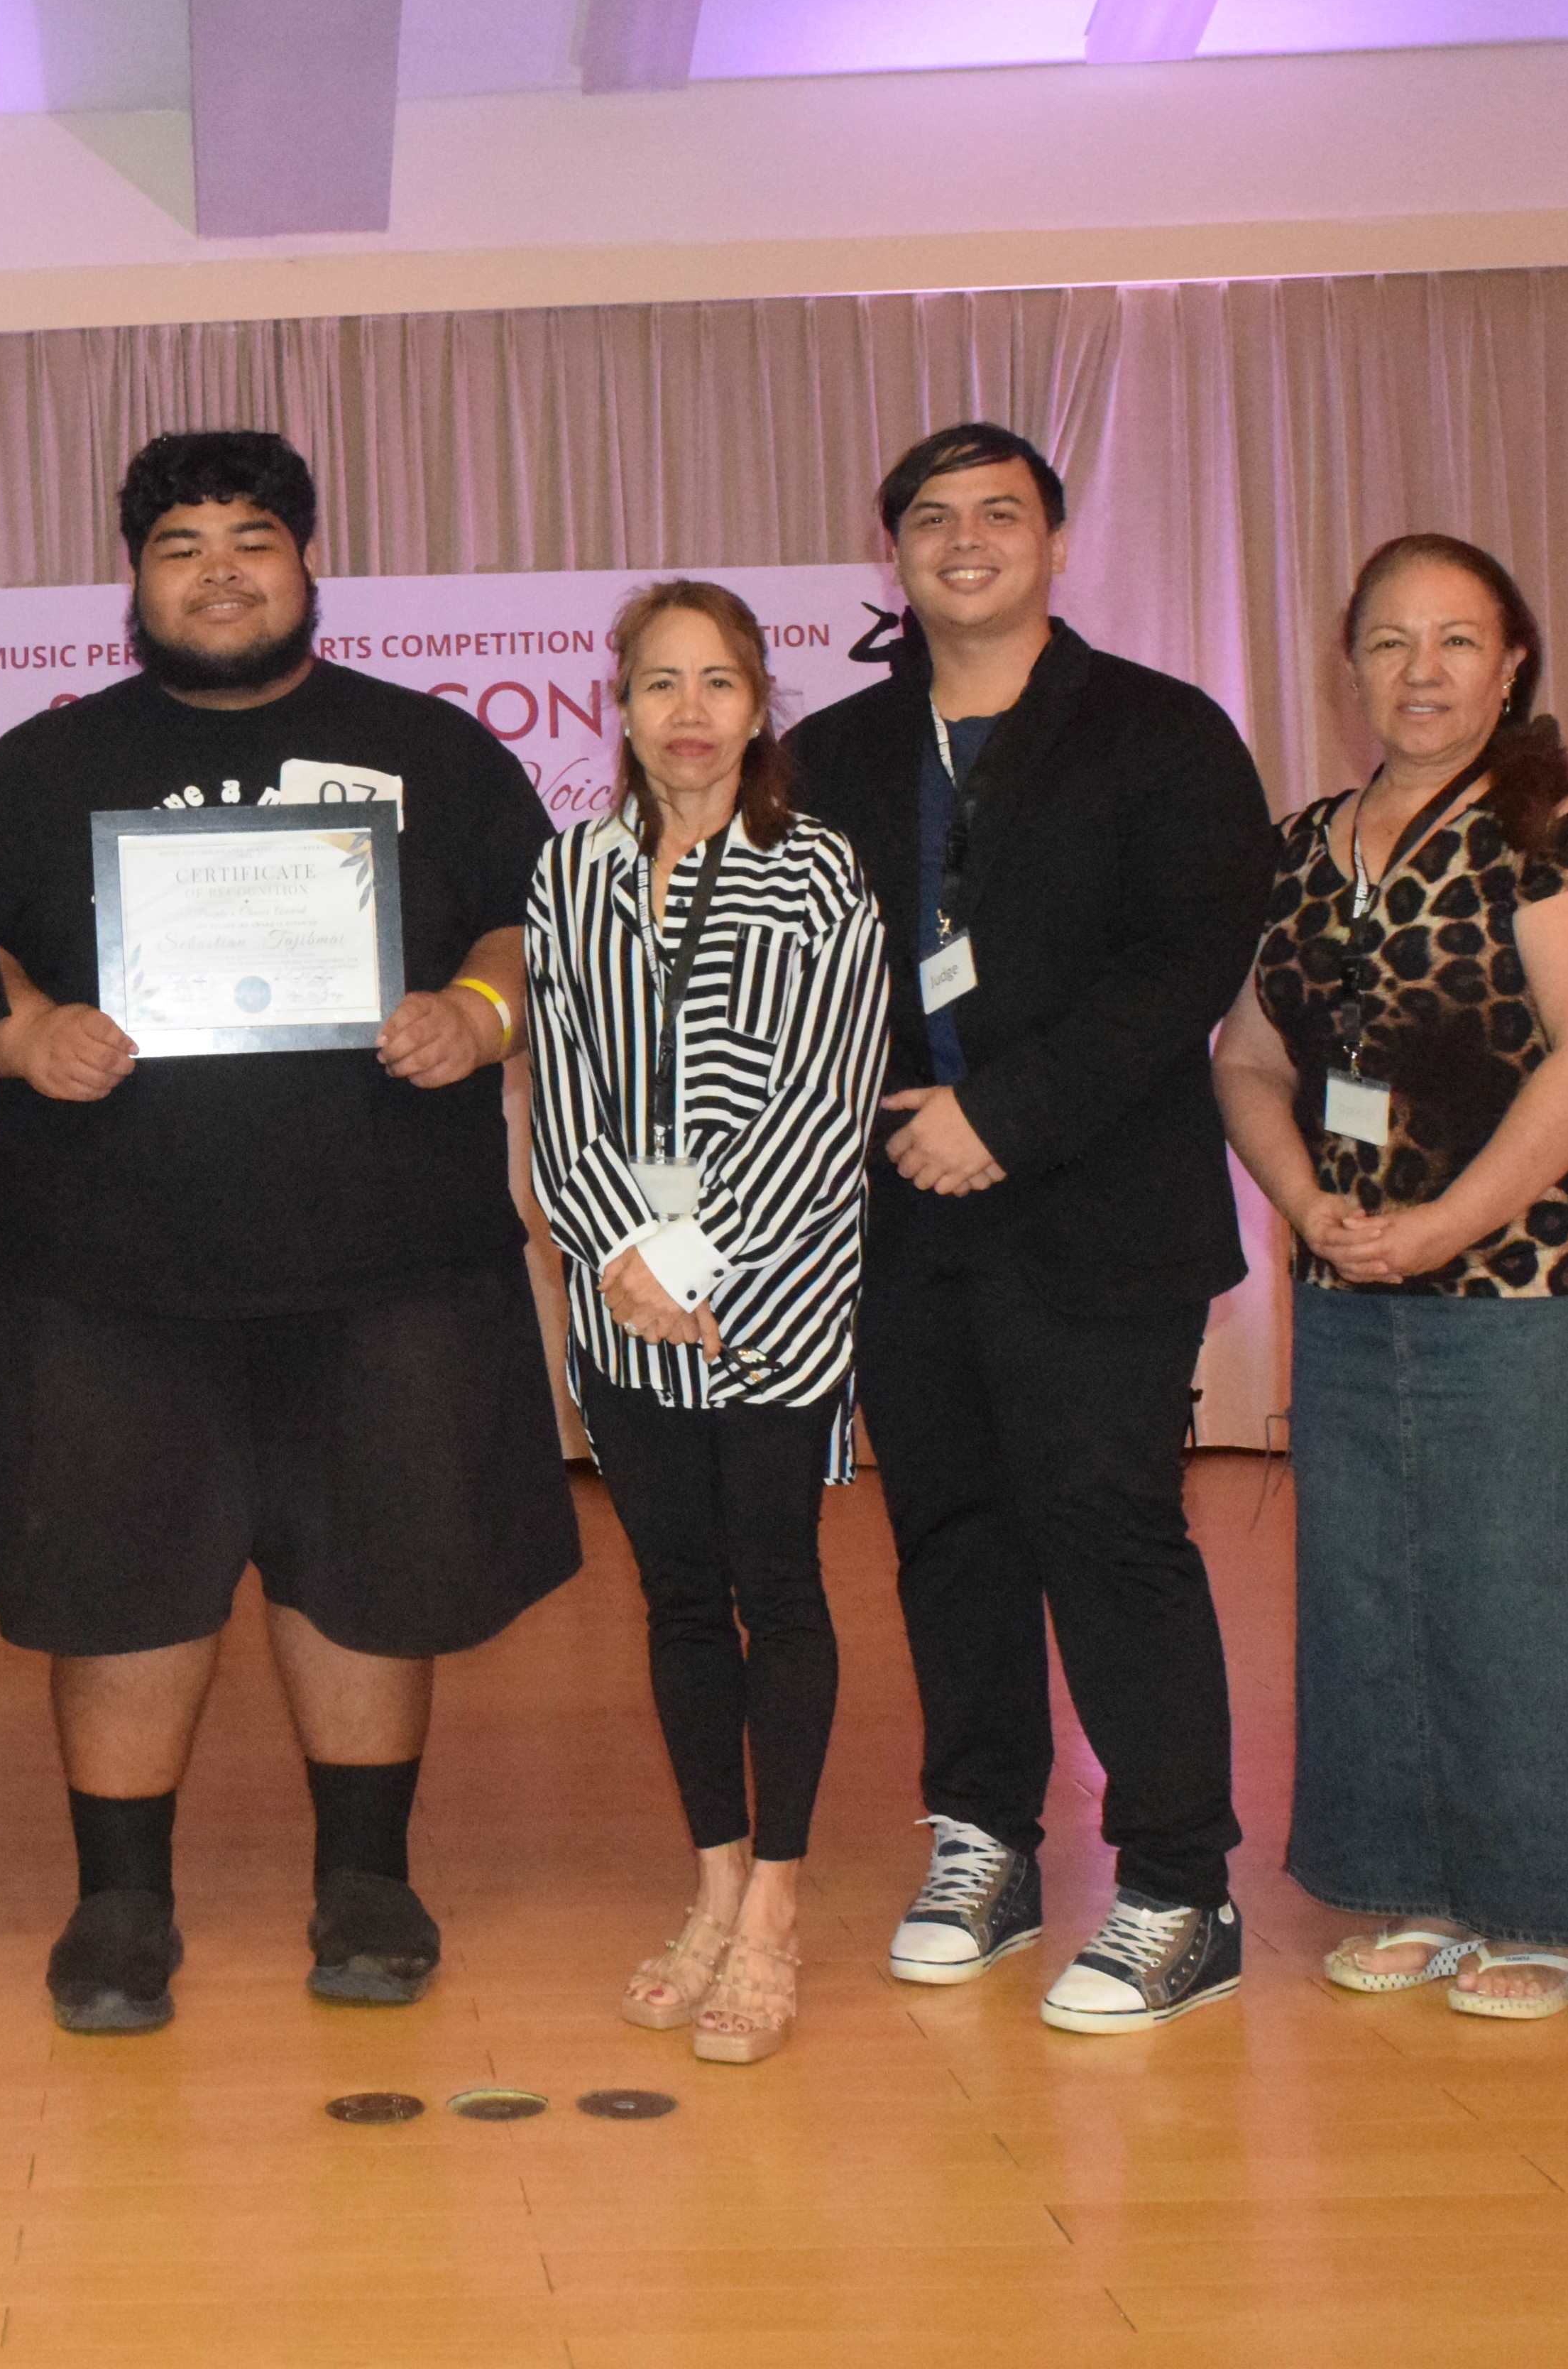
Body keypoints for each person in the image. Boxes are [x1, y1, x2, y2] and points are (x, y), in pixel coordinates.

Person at [0, 429, 576, 2032]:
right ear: (133, 579)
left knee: (369, 1567)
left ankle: (365, 1879)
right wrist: (24, 1038)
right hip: (103, 1270)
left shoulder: (429, 751)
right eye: (179, 544)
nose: (218, 568)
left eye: (251, 539)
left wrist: (478, 1012)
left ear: (308, 564)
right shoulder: (38, 764)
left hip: (390, 1266)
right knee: (118, 1578)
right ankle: (122, 1902)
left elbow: (527, 918)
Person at [784, 422, 1278, 2035]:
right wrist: (886, 1126)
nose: (968, 540)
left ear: (1058, 542)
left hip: (1098, 1219)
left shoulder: (1160, 730)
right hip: (899, 1215)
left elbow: (1184, 961)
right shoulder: (840, 753)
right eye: (932, 517)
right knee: (950, 1545)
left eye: (1002, 512)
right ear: (896, 555)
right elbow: (805, 977)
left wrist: (1008, 1113)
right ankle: (984, 1840)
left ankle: (1177, 1888)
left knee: (1109, 1534)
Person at [1210, 534, 1568, 2020]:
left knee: (1531, 1587)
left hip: (1529, 1278)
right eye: (1393, 642)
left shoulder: (1553, 826)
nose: (1424, 673)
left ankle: (1550, 1905)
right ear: (1348, 661)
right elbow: (1248, 1057)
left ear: (1514, 662)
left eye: (1459, 641)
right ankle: (1418, 1881)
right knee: (1377, 1590)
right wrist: (1312, 1205)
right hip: (1353, 1281)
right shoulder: (1298, 844)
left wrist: (1444, 1224)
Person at [522, 581, 884, 2064]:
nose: (688, 711)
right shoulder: (570, 874)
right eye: (660, 682)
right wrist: (623, 1251)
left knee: (775, 1589)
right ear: (619, 705)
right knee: (677, 1600)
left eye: (717, 681)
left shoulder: (816, 875)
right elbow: (557, 1088)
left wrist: (703, 1260)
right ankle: (713, 1881)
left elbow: (828, 1093)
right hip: (620, 1305)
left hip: (772, 1296)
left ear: (759, 703)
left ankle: (779, 1911)